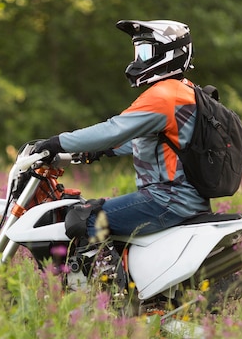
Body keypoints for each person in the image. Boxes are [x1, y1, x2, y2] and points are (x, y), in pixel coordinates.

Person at [33, 20, 211, 242]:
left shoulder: (164, 95)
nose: (138, 60)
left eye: (145, 51)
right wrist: (99, 152)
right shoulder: (186, 90)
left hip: (166, 200)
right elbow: (157, 141)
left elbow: (113, 130)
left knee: (82, 219)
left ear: (169, 53)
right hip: (185, 200)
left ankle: (102, 276)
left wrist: (58, 143)